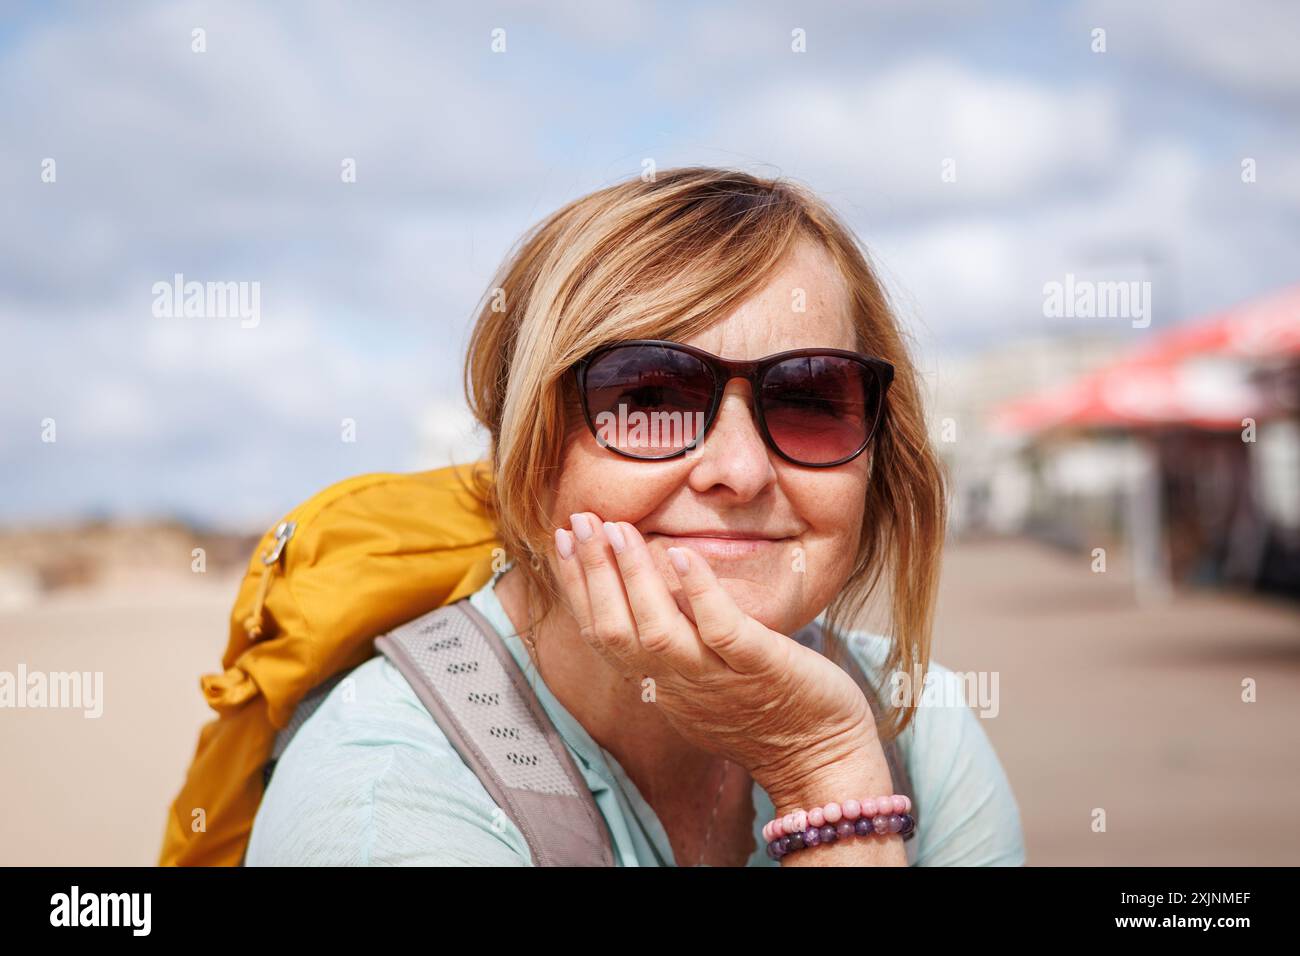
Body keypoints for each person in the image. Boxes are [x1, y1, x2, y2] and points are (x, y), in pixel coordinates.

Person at [244, 167, 1025, 866]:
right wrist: (819, 770)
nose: (741, 471)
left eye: (810, 399)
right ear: (526, 451)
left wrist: (830, 764)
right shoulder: (383, 796)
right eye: (650, 397)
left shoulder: (918, 730)